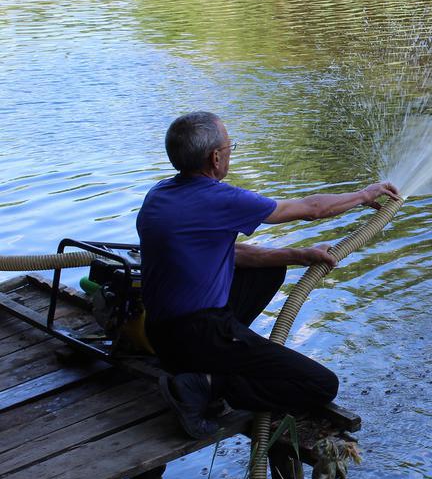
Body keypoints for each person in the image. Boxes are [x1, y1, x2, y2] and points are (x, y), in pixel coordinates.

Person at [137, 110, 400, 439]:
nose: (232, 151)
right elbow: (310, 209)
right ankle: (204, 383)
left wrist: (297, 256)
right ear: (215, 157)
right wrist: (364, 195)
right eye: (231, 146)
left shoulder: (159, 195)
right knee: (320, 384)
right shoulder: (220, 199)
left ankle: (213, 364)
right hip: (200, 334)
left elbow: (224, 255)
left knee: (270, 269)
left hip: (161, 335)